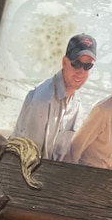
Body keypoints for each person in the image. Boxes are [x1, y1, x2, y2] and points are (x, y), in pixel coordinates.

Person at [12, 33, 97, 161]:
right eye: (76, 64)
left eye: (87, 66)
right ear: (64, 62)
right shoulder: (42, 100)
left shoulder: (77, 105)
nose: (81, 71)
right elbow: (29, 156)